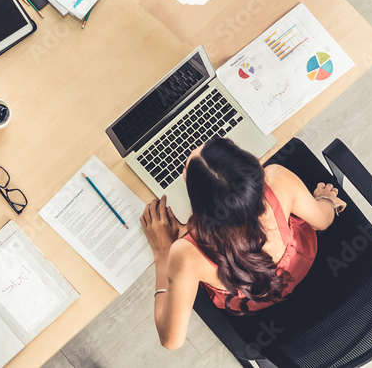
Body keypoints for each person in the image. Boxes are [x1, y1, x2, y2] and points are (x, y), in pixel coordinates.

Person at [140, 137, 346, 350]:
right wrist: (326, 200)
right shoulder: (278, 179)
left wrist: (163, 252)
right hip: (298, 267)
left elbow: (170, 341)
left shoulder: (185, 255)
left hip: (249, 301)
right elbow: (323, 222)